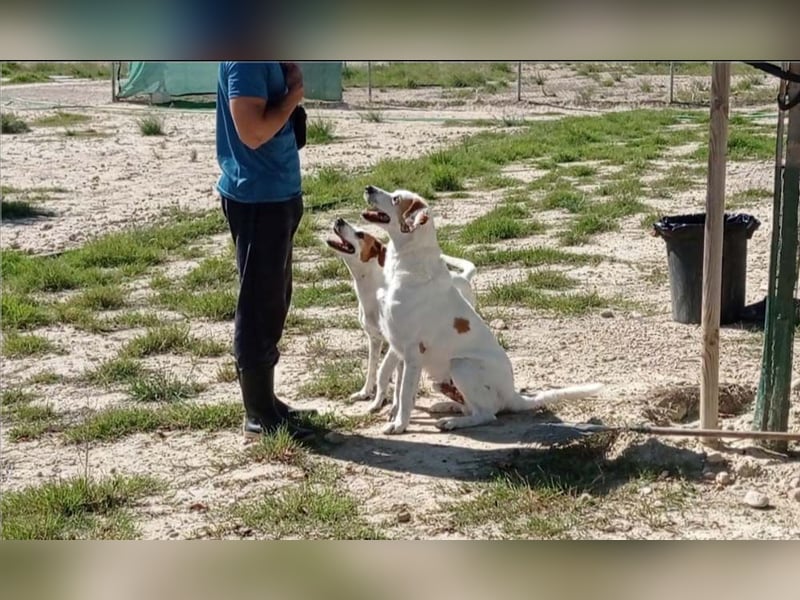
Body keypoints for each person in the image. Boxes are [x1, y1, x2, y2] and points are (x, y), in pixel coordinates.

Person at [216, 61, 315, 441]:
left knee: (273, 300)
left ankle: (267, 402)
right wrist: (293, 95)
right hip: (258, 196)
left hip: (277, 191)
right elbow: (253, 132)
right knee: (259, 305)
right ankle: (257, 415)